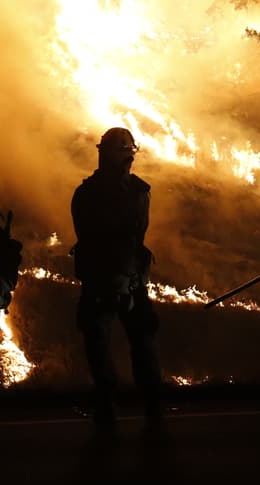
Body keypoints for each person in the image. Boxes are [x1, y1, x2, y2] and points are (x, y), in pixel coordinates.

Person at [70, 127, 163, 428]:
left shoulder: (86, 192)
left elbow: (89, 235)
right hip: (128, 280)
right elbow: (133, 236)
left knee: (100, 345)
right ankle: (152, 409)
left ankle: (108, 409)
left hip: (101, 281)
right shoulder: (138, 192)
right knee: (141, 343)